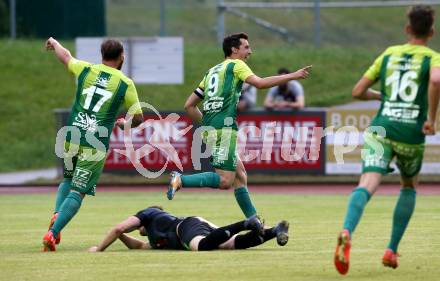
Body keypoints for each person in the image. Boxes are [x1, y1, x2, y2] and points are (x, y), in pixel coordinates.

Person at [334, 5, 440, 275]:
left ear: (407, 29)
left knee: (367, 183)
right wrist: (432, 118)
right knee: (408, 187)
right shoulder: (432, 57)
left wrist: (381, 96)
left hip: (380, 129)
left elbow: (358, 91)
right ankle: (391, 249)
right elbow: (437, 81)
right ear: (432, 31)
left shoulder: (389, 54)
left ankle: (346, 230)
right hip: (410, 134)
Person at [167, 32, 311, 219]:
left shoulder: (212, 71)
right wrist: (293, 75)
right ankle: (180, 180)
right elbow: (259, 84)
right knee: (226, 180)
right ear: (234, 50)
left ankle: (254, 221)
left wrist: (209, 124)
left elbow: (189, 105)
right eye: (246, 47)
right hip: (224, 129)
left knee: (240, 176)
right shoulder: (236, 65)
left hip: (211, 129)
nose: (250, 52)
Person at [42, 37, 144, 251]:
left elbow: (66, 57)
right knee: (78, 191)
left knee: (67, 179)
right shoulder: (125, 83)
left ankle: (56, 215)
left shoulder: (86, 69)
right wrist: (125, 123)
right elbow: (138, 118)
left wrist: (55, 43)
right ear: (122, 56)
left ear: (102, 55)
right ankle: (52, 233)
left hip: (71, 136)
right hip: (94, 144)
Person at [88, 206, 289, 252]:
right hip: (195, 223)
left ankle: (245, 223)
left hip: (186, 227)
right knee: (231, 244)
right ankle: (274, 231)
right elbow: (138, 246)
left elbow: (119, 227)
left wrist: (98, 249)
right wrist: (122, 235)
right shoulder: (155, 240)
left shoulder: (148, 214)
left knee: (200, 247)